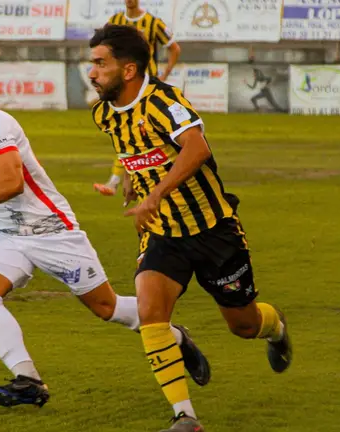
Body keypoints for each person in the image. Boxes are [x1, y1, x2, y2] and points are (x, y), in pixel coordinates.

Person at [0, 56, 210, 408]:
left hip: (52, 229)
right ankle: (29, 380)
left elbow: (11, 182)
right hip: (4, 234)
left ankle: (174, 336)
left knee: (105, 307)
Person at [88, 25, 292, 432]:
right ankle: (186, 417)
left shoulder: (164, 100)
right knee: (150, 313)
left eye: (99, 63)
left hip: (214, 230)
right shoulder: (103, 114)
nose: (91, 72)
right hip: (162, 233)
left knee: (244, 325)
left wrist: (156, 193)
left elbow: (197, 149)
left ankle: (276, 328)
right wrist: (133, 181)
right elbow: (133, 151)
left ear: (128, 70)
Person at [94, 0, 181, 196]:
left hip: (144, 88)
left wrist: (164, 74)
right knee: (126, 133)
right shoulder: (114, 22)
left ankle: (123, 181)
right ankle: (122, 181)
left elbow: (174, 48)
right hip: (121, 89)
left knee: (140, 135)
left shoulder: (152, 22)